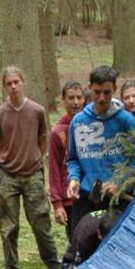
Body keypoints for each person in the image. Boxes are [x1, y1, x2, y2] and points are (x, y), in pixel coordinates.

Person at [64, 65, 135, 261]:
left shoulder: (126, 121)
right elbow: (74, 159)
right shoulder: (78, 122)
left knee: (121, 249)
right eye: (97, 92)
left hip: (119, 196)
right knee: (82, 246)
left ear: (115, 90)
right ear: (90, 88)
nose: (102, 98)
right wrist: (74, 179)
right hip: (87, 195)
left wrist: (120, 182)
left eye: (107, 93)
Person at [0, 66, 61, 269]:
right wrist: (8, 159)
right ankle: (11, 268)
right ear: (4, 86)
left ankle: (52, 263)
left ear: (23, 82)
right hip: (8, 175)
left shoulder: (37, 111)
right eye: (9, 83)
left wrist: (34, 157)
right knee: (8, 226)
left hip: (32, 173)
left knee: (40, 222)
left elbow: (43, 138)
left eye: (16, 82)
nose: (13, 87)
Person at [47, 80, 85, 252]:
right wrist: (57, 204)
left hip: (91, 194)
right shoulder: (57, 132)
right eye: (71, 98)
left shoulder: (90, 126)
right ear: (63, 100)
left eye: (79, 97)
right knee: (77, 242)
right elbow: (54, 170)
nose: (75, 102)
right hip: (70, 199)